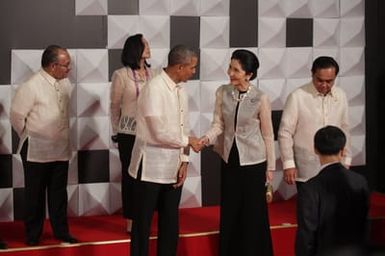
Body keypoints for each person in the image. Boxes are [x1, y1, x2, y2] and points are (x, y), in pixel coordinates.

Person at [199, 49, 275, 256]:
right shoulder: (222, 92)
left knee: (253, 212)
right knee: (231, 209)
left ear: (248, 75)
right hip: (229, 158)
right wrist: (205, 139)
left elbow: (268, 135)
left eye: (235, 70)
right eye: (230, 68)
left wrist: (271, 168)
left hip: (254, 161)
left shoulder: (260, 98)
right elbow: (218, 125)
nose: (229, 72)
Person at [128, 45, 200, 256]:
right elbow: (157, 132)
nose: (194, 72)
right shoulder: (154, 89)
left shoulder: (181, 90)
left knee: (170, 223)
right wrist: (189, 141)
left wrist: (185, 159)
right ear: (180, 67)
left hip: (173, 167)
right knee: (142, 225)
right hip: (149, 167)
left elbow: (183, 126)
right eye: (192, 68)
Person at [278, 56, 351, 254]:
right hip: (307, 171)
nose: (325, 85)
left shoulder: (341, 96)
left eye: (330, 81)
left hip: (336, 169)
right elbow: (285, 132)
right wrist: (289, 163)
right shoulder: (298, 96)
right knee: (309, 223)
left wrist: (347, 159)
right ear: (312, 74)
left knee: (335, 221)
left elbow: (345, 128)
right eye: (320, 80)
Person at [10, 45, 77, 246]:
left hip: (60, 149)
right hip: (36, 150)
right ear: (53, 65)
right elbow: (16, 117)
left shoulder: (65, 84)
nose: (69, 69)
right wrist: (32, 136)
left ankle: (61, 232)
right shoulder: (31, 86)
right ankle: (33, 235)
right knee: (35, 195)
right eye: (66, 65)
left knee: (59, 194)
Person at [296, 125, 369, 256]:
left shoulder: (310, 188)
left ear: (315, 149)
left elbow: (306, 235)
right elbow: (364, 225)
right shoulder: (360, 181)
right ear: (343, 151)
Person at [110, 34, 156, 233]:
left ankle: (145, 217)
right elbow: (114, 107)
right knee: (131, 178)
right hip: (128, 134)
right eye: (145, 44)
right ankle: (131, 220)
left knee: (148, 178)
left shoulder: (153, 74)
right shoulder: (121, 75)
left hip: (151, 133)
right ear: (135, 49)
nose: (148, 47)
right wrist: (116, 131)